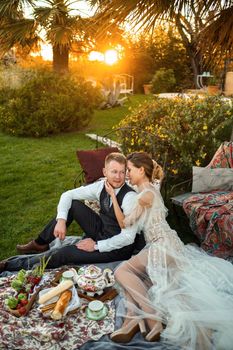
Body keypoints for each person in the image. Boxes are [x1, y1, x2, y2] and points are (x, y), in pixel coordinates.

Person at [103, 152, 233, 349]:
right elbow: (154, 185)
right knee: (144, 281)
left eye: (129, 170)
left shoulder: (144, 196)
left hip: (161, 244)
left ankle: (151, 316)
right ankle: (137, 321)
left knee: (122, 271)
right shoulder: (150, 190)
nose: (127, 174)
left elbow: (124, 223)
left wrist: (112, 195)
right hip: (171, 245)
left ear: (141, 170)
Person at [0, 152, 145, 272]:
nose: (118, 177)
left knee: (65, 253)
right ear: (104, 172)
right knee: (73, 205)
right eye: (114, 172)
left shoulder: (129, 197)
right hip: (102, 229)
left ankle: (12, 265)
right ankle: (40, 243)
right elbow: (68, 195)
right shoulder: (102, 186)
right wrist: (61, 220)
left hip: (117, 247)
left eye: (122, 172)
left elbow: (128, 238)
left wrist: (95, 246)